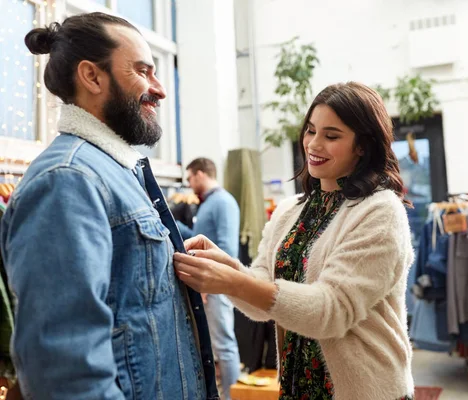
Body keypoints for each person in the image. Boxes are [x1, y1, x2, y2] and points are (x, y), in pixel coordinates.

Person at [0, 13, 217, 399]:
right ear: (93, 77)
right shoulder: (67, 181)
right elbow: (64, 372)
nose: (160, 89)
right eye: (143, 72)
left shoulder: (116, 172)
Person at [173, 82, 416, 400]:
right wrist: (225, 266)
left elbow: (330, 310)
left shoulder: (381, 211)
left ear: (362, 146)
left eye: (331, 136)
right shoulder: (291, 210)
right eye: (310, 131)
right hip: (297, 387)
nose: (314, 145)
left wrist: (231, 281)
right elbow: (264, 298)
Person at [177, 158, 241, 400]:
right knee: (218, 345)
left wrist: (210, 284)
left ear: (201, 174)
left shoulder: (223, 202)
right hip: (210, 284)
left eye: (191, 178)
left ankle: (233, 395)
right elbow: (198, 238)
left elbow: (226, 248)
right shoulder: (209, 204)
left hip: (217, 285)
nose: (190, 184)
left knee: (224, 345)